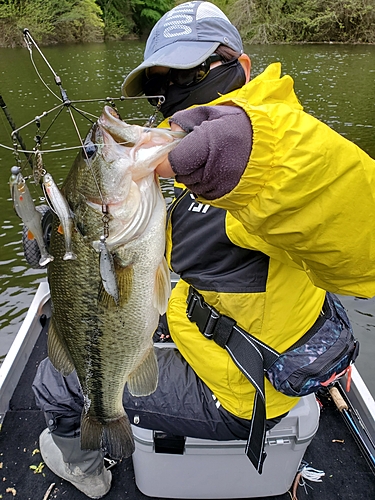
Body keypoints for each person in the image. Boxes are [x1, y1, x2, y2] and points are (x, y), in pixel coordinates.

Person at [32, 1, 375, 499]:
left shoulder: (277, 155)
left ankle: (85, 464)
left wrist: (254, 153)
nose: (172, 97)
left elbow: (357, 237)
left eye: (191, 74)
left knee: (53, 383)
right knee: (60, 319)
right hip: (213, 326)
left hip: (239, 390)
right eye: (159, 88)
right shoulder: (195, 170)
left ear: (243, 67)